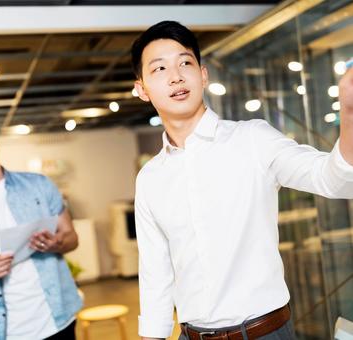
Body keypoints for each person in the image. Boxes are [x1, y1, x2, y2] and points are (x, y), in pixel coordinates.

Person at [131, 20, 353, 340]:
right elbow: (155, 272)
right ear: (141, 88)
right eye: (159, 68)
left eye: (185, 63)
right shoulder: (150, 178)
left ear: (203, 74)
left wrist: (348, 113)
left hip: (264, 334)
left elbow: (334, 181)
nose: (176, 76)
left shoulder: (253, 139)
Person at [0, 118, 82, 340]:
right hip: (2, 331)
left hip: (58, 321)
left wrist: (57, 244)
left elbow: (72, 238)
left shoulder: (39, 185)